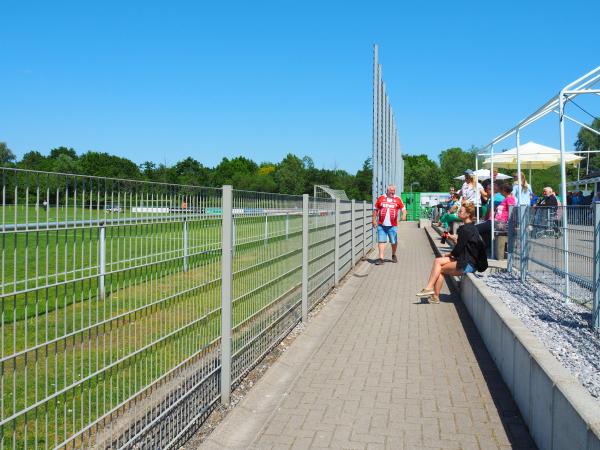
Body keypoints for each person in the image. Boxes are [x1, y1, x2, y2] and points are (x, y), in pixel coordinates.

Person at [416, 202, 486, 303]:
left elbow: (458, 250)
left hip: (468, 264)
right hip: (467, 259)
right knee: (437, 261)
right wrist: (453, 240)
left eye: (461, 211)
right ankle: (431, 291)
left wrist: (450, 254)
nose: (458, 213)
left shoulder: (465, 229)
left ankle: (432, 292)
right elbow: (464, 246)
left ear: (467, 214)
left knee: (440, 269)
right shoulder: (471, 227)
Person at [372, 185, 406, 265]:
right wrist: (373, 220)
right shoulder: (381, 198)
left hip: (393, 225)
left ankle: (393, 254)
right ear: (387, 190)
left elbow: (403, 209)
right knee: (381, 241)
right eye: (391, 190)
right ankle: (381, 258)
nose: (392, 192)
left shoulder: (398, 199)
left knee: (393, 241)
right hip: (381, 225)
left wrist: (404, 215)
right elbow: (376, 210)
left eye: (394, 190)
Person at [476, 183, 516, 249]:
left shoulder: (509, 199)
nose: (500, 192)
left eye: (501, 190)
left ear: (504, 190)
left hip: (500, 223)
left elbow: (511, 210)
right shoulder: (506, 199)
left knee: (475, 228)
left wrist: (510, 224)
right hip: (496, 221)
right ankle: (486, 248)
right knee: (483, 231)